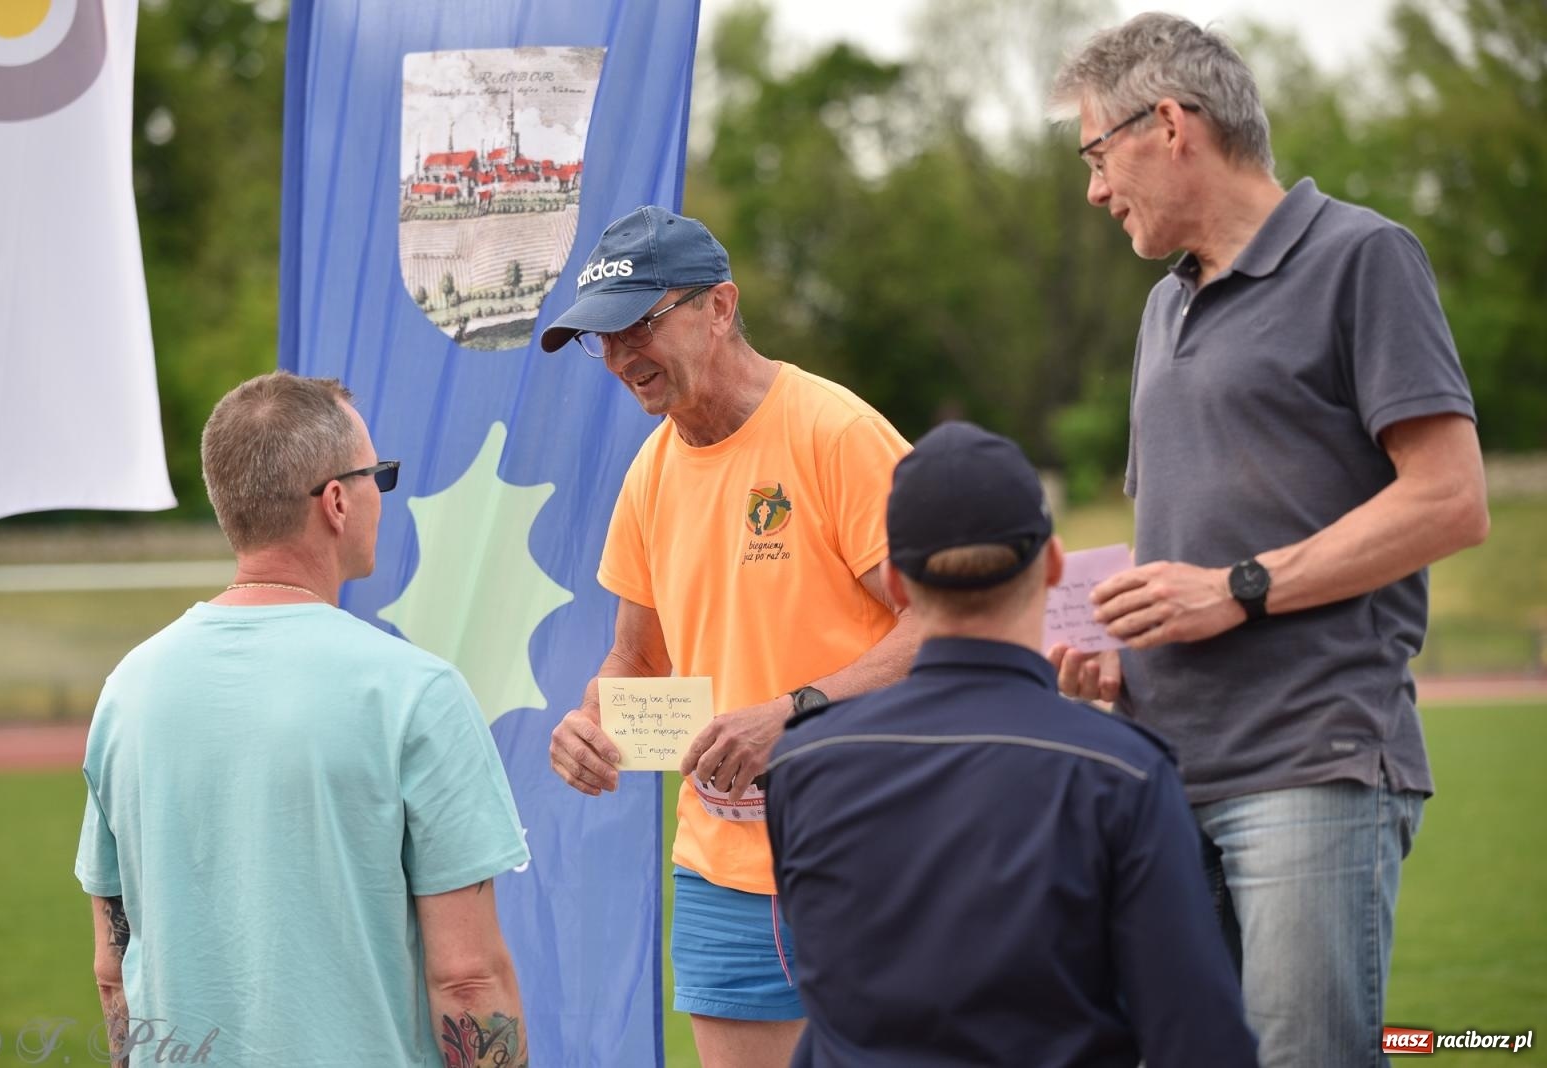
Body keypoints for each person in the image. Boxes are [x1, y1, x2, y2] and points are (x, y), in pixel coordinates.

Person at [1046, 14, 1489, 1067]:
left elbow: (1449, 501)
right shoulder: (1161, 309)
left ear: (1168, 124)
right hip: (1164, 777)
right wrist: (1117, 657)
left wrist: (1237, 589)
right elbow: (1187, 539)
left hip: (1312, 760)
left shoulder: (1363, 257)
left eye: (1095, 153)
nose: (1095, 190)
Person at [542, 206, 919, 1068]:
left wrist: (796, 712)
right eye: (602, 337)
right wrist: (594, 722)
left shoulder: (838, 434)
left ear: (719, 306)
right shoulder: (649, 475)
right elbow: (637, 660)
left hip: (871, 852)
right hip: (719, 869)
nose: (618, 355)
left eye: (639, 322)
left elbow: (946, 624)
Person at [764, 421, 1259, 1068]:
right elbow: (1198, 1038)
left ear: (896, 583)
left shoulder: (802, 764)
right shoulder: (1122, 773)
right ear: (1053, 565)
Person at [74, 372, 531, 1068]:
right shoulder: (414, 691)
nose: (383, 493)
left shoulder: (128, 690)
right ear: (338, 501)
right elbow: (467, 981)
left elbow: (115, 969)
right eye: (378, 474)